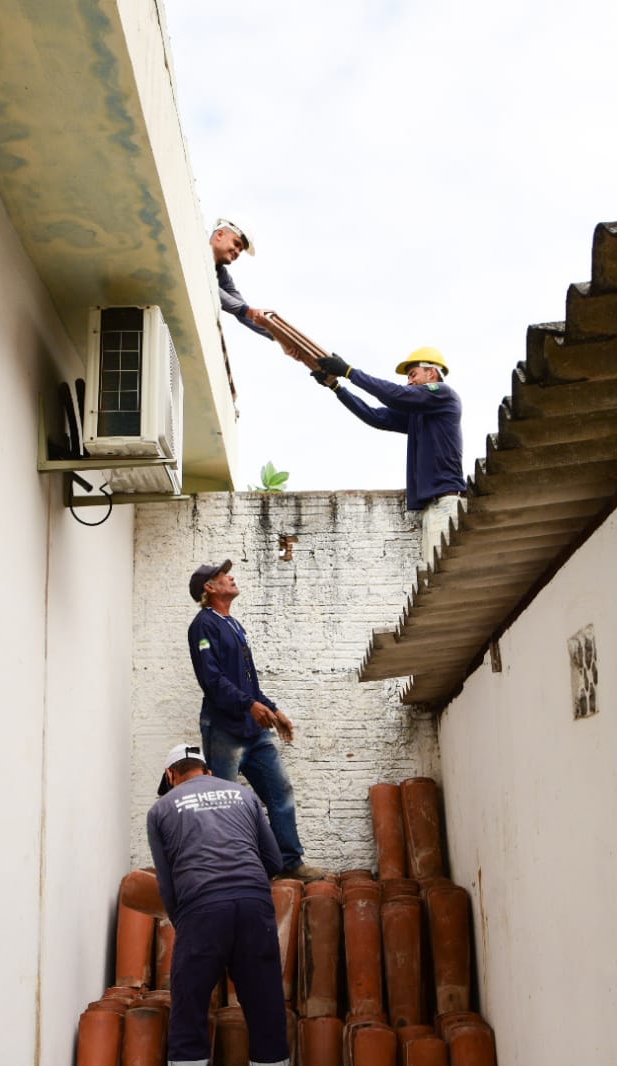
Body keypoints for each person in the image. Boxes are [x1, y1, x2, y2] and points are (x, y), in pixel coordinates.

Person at [147, 742, 290, 1066]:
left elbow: (167, 884)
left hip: (201, 908)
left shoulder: (161, 809)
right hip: (254, 904)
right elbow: (274, 860)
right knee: (266, 1006)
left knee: (190, 1008)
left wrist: (186, 925)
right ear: (208, 771)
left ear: (171, 775)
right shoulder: (244, 795)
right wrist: (247, 890)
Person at [187, 560, 325, 881]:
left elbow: (248, 681)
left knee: (280, 792)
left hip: (254, 731)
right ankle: (229, 872)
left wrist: (272, 711)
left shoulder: (233, 625)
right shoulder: (203, 626)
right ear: (210, 588)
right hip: (223, 731)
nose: (231, 577)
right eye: (224, 576)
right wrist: (249, 705)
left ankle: (290, 862)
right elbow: (212, 680)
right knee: (225, 805)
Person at [313, 347, 468, 557]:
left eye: (413, 374)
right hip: (432, 507)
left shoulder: (442, 393)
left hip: (446, 503)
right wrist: (336, 386)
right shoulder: (420, 414)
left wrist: (349, 371)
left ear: (431, 373)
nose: (409, 381)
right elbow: (375, 416)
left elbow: (395, 395)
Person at [211, 218, 276, 340]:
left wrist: (277, 336)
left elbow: (242, 311)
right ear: (220, 234)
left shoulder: (222, 275)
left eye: (240, 250)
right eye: (236, 244)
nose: (237, 252)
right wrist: (249, 311)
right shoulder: (196, 249)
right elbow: (211, 289)